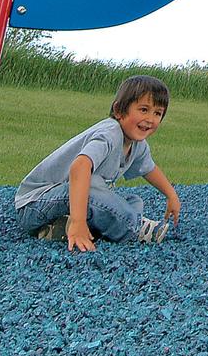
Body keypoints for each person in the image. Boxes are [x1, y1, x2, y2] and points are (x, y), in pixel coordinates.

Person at [14, 76, 182, 251]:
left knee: (133, 201)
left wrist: (171, 195)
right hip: (35, 204)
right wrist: (79, 221)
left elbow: (149, 168)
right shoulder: (109, 134)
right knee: (92, 185)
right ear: (119, 110)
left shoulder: (137, 143)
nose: (150, 119)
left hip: (63, 205)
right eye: (144, 109)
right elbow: (79, 167)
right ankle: (134, 229)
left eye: (158, 113)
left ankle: (62, 227)